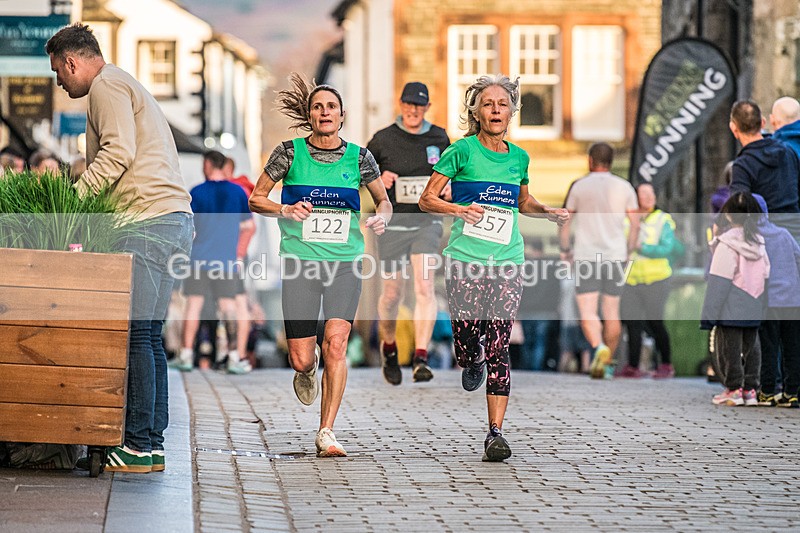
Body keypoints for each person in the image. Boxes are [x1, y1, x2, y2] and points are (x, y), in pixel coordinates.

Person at [47, 23, 193, 473]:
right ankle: (150, 446)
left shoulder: (106, 86)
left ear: (72, 61)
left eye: (57, 72)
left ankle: (136, 444)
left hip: (147, 221)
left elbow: (117, 153)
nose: (58, 82)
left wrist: (72, 203)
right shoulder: (124, 82)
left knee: (136, 335)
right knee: (149, 335)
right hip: (172, 219)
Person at [419, 74, 568, 462]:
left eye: (503, 104)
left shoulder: (519, 158)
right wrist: (459, 210)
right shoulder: (461, 151)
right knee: (468, 339)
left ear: (511, 111)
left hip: (507, 262)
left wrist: (547, 211)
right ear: (477, 112)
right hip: (465, 261)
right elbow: (427, 199)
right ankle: (471, 358)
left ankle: (495, 432)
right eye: (488, 104)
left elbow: (523, 202)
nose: (496, 110)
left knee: (500, 344)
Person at [249, 73, 391, 457]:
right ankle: (307, 369)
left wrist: (382, 217)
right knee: (300, 356)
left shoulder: (359, 158)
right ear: (309, 115)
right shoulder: (288, 153)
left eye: (331, 107)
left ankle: (326, 431)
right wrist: (284, 209)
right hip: (301, 264)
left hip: (345, 263)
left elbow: (383, 200)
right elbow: (256, 198)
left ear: (342, 115)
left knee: (337, 343)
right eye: (318, 107)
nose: (325, 112)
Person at [366, 81, 451, 385]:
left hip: (426, 223)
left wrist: (448, 190)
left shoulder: (439, 137)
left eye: (419, 105)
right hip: (392, 225)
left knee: (425, 287)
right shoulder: (382, 139)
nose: (413, 110)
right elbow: (360, 175)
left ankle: (421, 356)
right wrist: (379, 178)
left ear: (427, 107)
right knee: (392, 294)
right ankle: (389, 348)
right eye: (409, 104)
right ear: (400, 105)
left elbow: (451, 175)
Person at [559, 143, 639, 379]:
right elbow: (635, 225)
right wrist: (628, 251)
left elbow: (565, 222)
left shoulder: (579, 186)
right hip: (615, 256)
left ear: (590, 160)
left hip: (586, 256)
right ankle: (607, 364)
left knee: (588, 311)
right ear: (611, 161)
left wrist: (565, 249)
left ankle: (599, 346)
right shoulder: (625, 187)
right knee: (612, 311)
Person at [177, 150, 254, 374]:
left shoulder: (197, 192)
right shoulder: (238, 192)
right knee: (228, 306)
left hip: (198, 258)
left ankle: (185, 355)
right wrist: (238, 254)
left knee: (193, 305)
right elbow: (249, 227)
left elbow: (188, 229)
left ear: (209, 165)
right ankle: (233, 357)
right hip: (226, 260)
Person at [701, 192, 769, 406]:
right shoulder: (759, 243)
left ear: (728, 215)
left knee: (729, 347)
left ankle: (733, 388)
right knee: (752, 345)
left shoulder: (727, 244)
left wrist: (709, 316)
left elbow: (718, 281)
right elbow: (766, 273)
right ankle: (750, 389)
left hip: (731, 304)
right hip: (754, 300)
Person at [620, 183, 675, 379]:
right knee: (632, 323)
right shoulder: (627, 219)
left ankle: (666, 364)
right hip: (631, 279)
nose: (649, 197)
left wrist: (642, 247)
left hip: (657, 279)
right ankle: (633, 366)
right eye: (644, 194)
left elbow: (667, 247)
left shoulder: (663, 219)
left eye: (651, 193)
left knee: (655, 321)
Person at [752, 194, 800, 408]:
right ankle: (792, 393)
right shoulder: (783, 234)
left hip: (769, 300)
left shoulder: (754, 238)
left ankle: (767, 391)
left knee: (769, 347)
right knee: (792, 346)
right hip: (793, 299)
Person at [729, 100, 800, 241]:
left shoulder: (742, 166)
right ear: (763, 122)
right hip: (795, 235)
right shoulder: (788, 152)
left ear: (734, 128)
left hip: (765, 241)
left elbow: (739, 212)